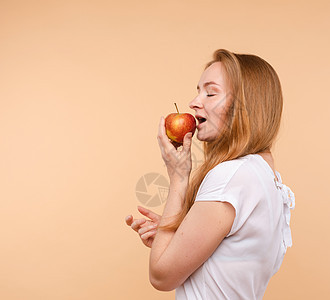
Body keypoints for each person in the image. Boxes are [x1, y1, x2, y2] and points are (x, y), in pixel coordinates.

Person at [125, 49, 295, 299]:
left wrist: (178, 177)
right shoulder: (264, 177)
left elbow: (161, 276)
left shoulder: (230, 176)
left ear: (245, 105)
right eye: (197, 91)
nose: (194, 102)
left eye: (210, 92)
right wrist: (176, 235)